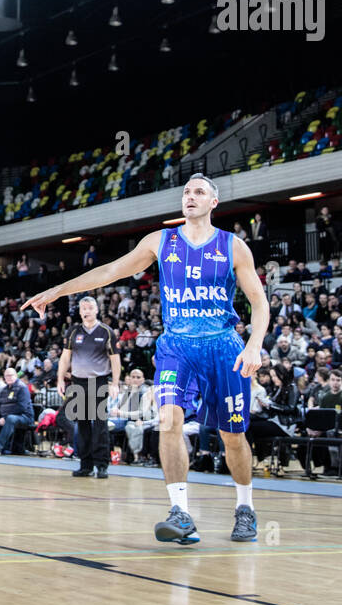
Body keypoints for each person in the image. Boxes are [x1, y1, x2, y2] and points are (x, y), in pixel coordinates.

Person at [26, 173, 270, 545]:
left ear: (213, 203)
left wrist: (254, 345)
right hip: (176, 346)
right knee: (168, 422)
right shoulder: (161, 240)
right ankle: (181, 512)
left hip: (223, 347)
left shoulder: (233, 246)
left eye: (199, 192)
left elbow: (259, 302)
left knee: (232, 436)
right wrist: (59, 290)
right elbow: (110, 271)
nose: (190, 196)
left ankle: (245, 507)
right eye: (187, 191)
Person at [58, 296, 120, 478]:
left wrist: (115, 383)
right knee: (83, 424)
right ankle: (85, 465)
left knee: (99, 424)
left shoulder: (106, 331)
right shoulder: (73, 331)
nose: (86, 311)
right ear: (79, 312)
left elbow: (115, 360)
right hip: (78, 381)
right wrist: (60, 379)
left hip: (99, 381)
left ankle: (102, 465)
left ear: (96, 310)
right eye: (83, 308)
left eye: (90, 307)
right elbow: (65, 357)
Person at [110, 367, 158, 464]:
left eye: (138, 377)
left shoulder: (145, 392)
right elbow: (119, 407)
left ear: (143, 379)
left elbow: (143, 413)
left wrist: (121, 413)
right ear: (129, 378)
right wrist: (115, 411)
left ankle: (137, 456)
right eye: (133, 377)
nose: (135, 379)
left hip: (138, 420)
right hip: (124, 418)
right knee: (104, 424)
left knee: (132, 427)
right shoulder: (128, 391)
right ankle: (107, 455)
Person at [0, 367, 34, 455]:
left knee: (10, 418)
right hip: (9, 417)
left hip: (25, 417)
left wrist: (5, 417)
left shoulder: (22, 388)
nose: (9, 377)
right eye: (6, 376)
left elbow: (21, 407)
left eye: (11, 375)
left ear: (16, 376)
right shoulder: (4, 390)